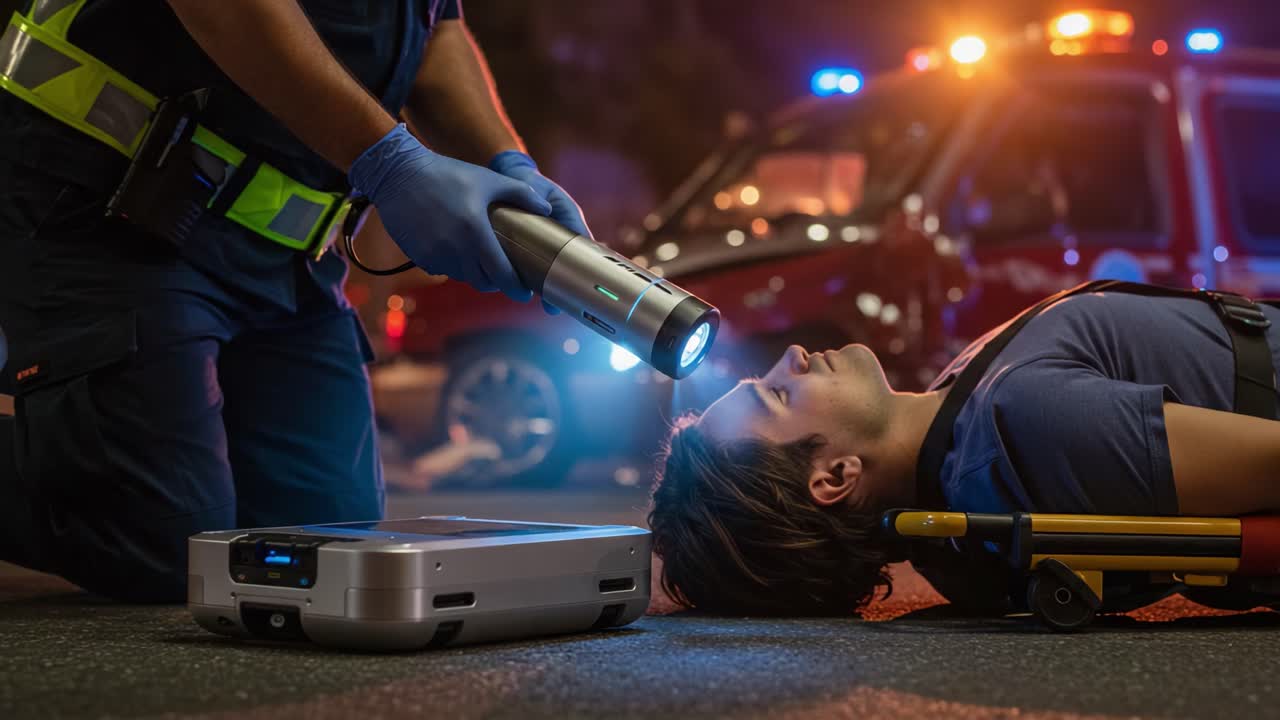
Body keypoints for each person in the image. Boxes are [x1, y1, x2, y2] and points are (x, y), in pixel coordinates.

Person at [0, 0, 588, 601]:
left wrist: (507, 162)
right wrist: (390, 159)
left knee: (330, 543)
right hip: (109, 198)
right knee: (166, 544)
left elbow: (435, 23)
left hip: (288, 257)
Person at [648, 288, 1280, 616]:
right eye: (779, 396)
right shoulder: (1027, 426)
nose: (792, 357)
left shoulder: (962, 450)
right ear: (835, 477)